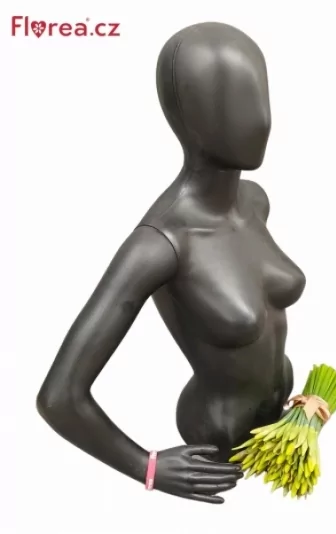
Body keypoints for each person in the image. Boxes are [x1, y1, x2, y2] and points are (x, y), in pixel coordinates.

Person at [37, 21, 306, 505]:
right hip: (217, 449)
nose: (260, 120)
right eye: (235, 103)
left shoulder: (255, 201)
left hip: (287, 428)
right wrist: (148, 467)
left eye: (259, 96)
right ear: (188, 114)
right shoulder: (161, 243)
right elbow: (59, 397)